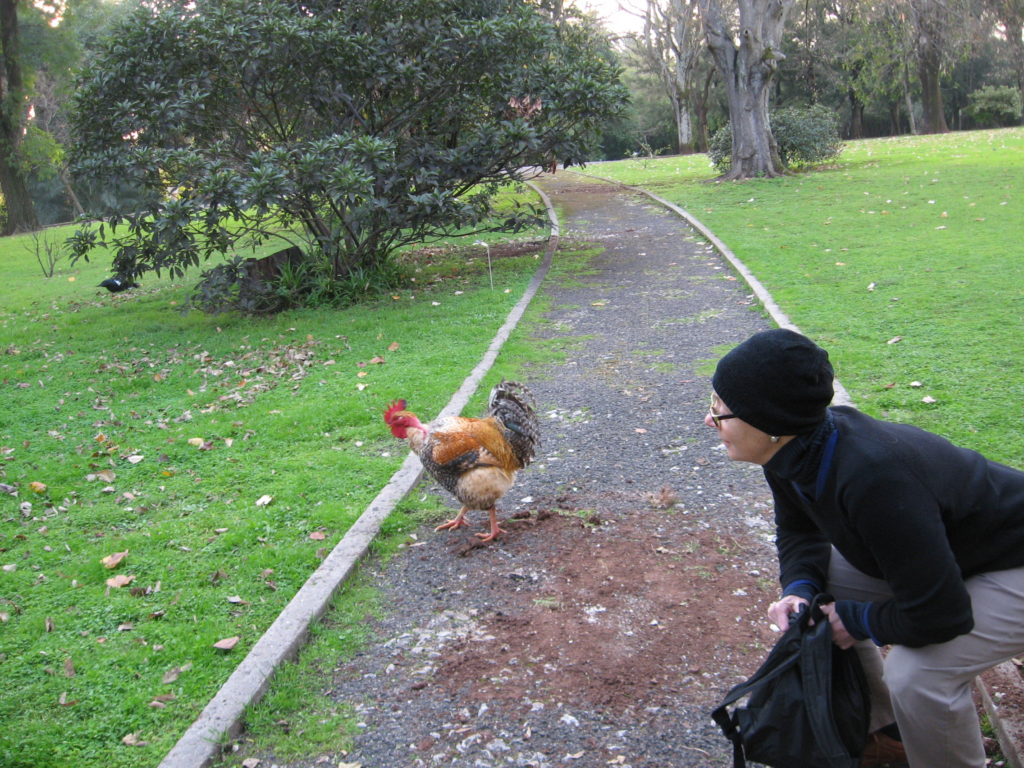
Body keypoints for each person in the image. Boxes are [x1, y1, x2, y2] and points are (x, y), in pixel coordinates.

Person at [706, 327, 1024, 768]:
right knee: (819, 595)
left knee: (917, 675)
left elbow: (940, 614)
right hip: (960, 552)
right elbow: (799, 531)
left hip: (1014, 562)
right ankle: (886, 732)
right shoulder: (791, 449)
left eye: (721, 412)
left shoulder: (874, 476)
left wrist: (854, 619)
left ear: (770, 423)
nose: (710, 421)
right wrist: (798, 588)